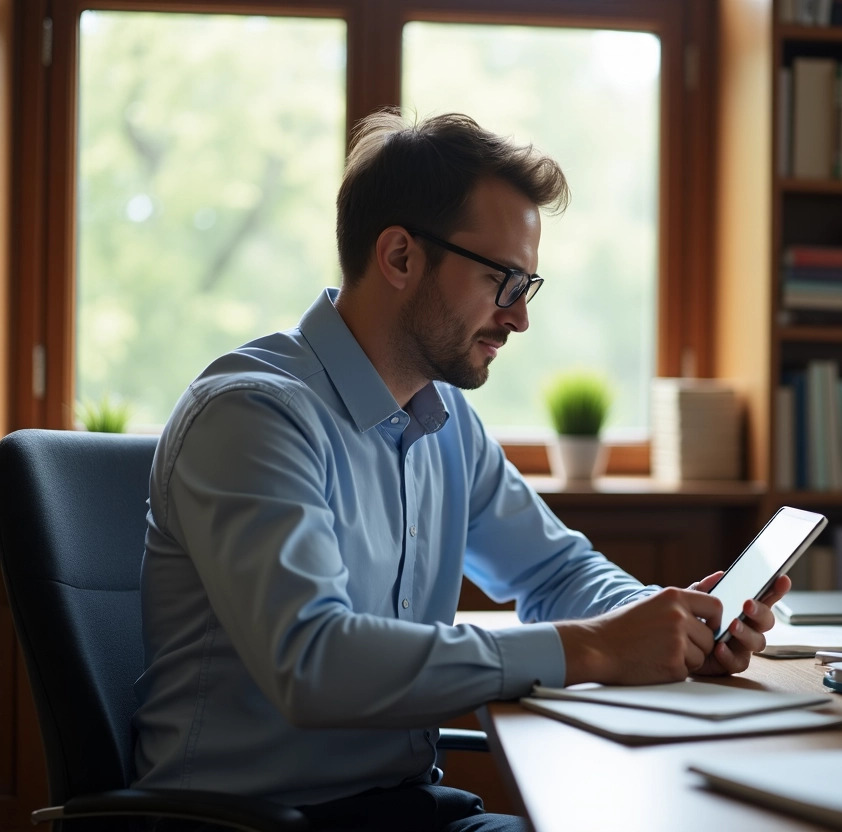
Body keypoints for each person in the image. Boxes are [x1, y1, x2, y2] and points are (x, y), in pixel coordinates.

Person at [133, 110, 789, 832]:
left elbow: (553, 575)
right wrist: (598, 646)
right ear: (401, 257)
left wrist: (668, 626)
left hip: (404, 810)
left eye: (527, 287)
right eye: (502, 280)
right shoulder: (254, 415)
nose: (519, 318)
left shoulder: (442, 419)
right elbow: (313, 662)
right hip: (251, 823)